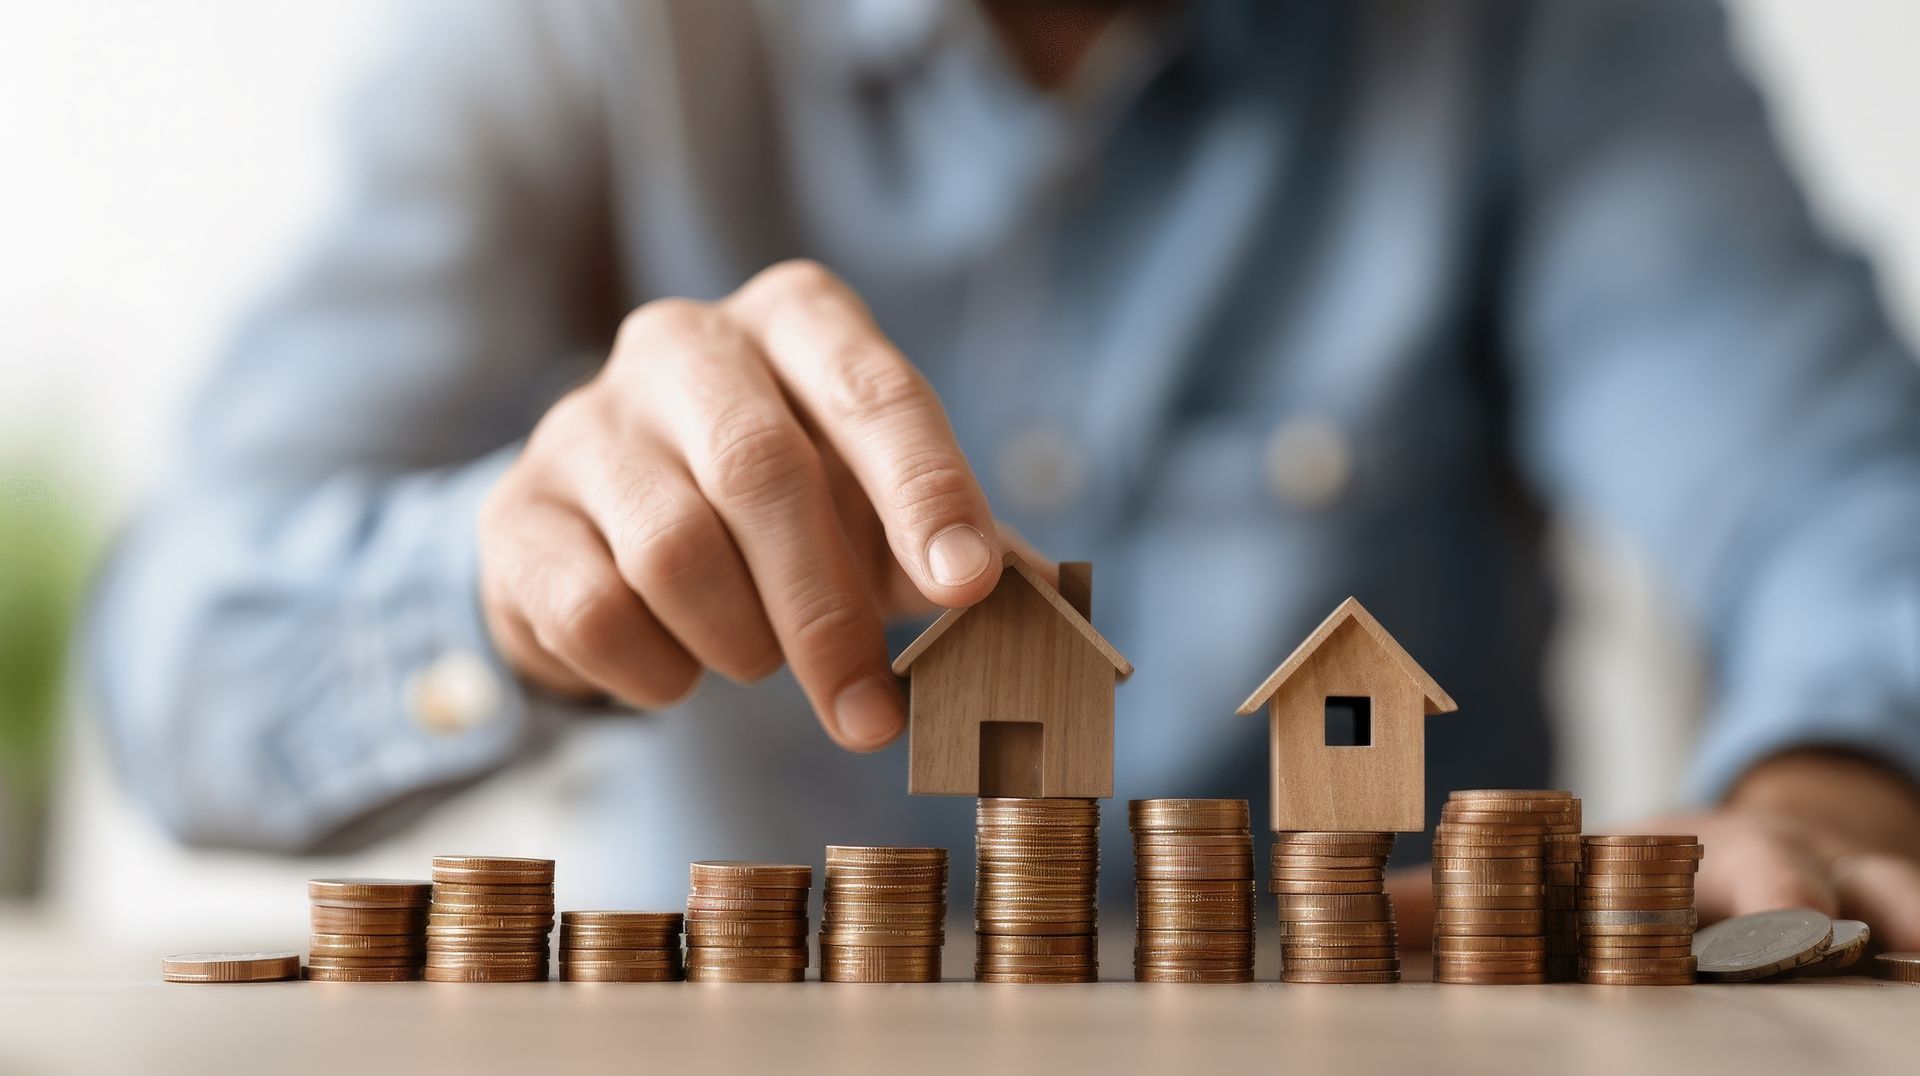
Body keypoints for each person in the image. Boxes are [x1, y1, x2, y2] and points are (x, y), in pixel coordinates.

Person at [89, 0, 1920, 945]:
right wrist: (510, 585)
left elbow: (1841, 492)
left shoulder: (1533, 31)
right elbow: (173, 671)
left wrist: (1838, 797)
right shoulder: (580, 34)